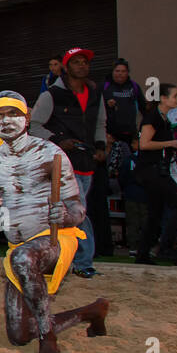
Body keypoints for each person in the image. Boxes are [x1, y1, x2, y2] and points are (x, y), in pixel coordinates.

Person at [0, 91, 111, 353]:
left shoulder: (50, 153)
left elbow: (77, 209)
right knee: (18, 335)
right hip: (17, 247)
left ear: (26, 119)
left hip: (54, 240)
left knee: (24, 258)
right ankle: (91, 312)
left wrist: (65, 216)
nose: (6, 121)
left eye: (13, 113)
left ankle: (47, 336)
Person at [31, 47, 106, 278]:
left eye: (85, 62)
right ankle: (83, 262)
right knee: (78, 210)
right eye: (77, 62)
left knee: (67, 213)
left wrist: (102, 146)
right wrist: (60, 141)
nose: (82, 65)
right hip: (61, 163)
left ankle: (61, 260)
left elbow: (101, 123)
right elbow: (34, 126)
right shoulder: (51, 95)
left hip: (86, 161)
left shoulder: (95, 94)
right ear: (66, 66)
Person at [134, 83, 177, 266]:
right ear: (163, 98)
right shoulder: (153, 118)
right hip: (151, 170)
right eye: (175, 96)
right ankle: (166, 247)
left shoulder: (165, 119)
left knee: (155, 213)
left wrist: (175, 155)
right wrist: (170, 144)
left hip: (156, 169)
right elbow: (144, 144)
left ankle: (143, 254)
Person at [101, 58, 143, 148]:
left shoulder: (134, 87)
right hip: (111, 135)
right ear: (112, 72)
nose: (120, 74)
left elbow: (143, 109)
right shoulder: (104, 87)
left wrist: (139, 135)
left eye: (123, 71)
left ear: (127, 73)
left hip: (130, 135)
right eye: (117, 71)